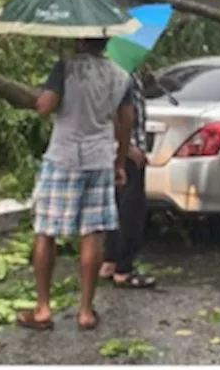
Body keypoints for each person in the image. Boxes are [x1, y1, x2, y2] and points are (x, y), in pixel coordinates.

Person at [17, 38, 134, 332]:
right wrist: (119, 162)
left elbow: (45, 107)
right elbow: (126, 121)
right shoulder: (121, 75)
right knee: (92, 233)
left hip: (63, 157)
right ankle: (85, 312)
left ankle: (43, 309)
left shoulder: (65, 67)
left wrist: (40, 93)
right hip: (99, 160)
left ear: (80, 38)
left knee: (45, 230)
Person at [100, 67, 156, 289]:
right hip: (124, 149)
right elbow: (111, 111)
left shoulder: (130, 72)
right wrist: (128, 148)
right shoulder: (119, 72)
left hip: (124, 147)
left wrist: (147, 81)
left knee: (116, 205)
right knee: (131, 209)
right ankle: (124, 268)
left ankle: (110, 261)